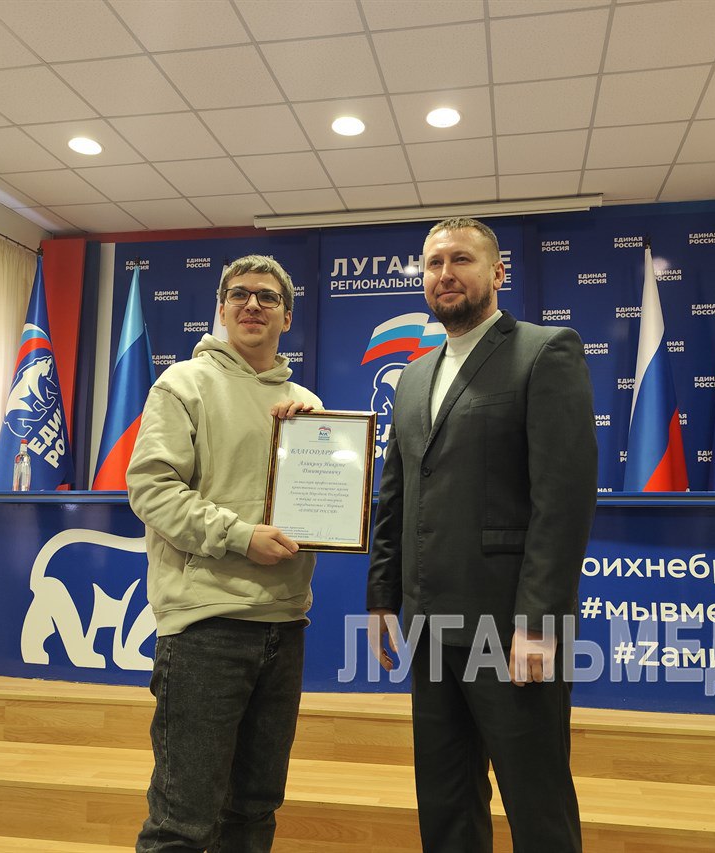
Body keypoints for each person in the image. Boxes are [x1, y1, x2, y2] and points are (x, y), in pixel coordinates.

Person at [366, 218, 598, 852]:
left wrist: (538, 623)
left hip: (508, 626)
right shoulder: (414, 376)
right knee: (446, 804)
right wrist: (383, 598)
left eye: (461, 260)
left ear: (497, 273)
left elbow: (562, 502)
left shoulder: (545, 351)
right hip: (428, 625)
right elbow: (395, 496)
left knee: (537, 803)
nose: (445, 274)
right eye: (434, 263)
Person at [127, 255, 322, 853]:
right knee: (182, 823)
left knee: (255, 811)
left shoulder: (307, 404)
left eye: (267, 296)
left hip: (284, 625)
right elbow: (151, 489)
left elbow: (325, 508)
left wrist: (317, 440)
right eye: (239, 294)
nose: (252, 304)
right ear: (221, 308)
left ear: (287, 316)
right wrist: (241, 537)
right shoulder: (182, 384)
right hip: (206, 629)